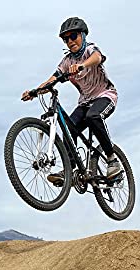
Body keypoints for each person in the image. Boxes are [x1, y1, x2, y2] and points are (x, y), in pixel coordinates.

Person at [21, 17, 122, 181]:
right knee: (68, 128)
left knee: (93, 116)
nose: (69, 41)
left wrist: (82, 65)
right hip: (85, 102)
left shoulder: (90, 50)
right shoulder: (67, 61)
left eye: (73, 36)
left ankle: (112, 160)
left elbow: (97, 57)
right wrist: (35, 92)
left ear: (82, 35)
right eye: (65, 39)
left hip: (105, 96)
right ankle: (71, 169)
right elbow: (51, 80)